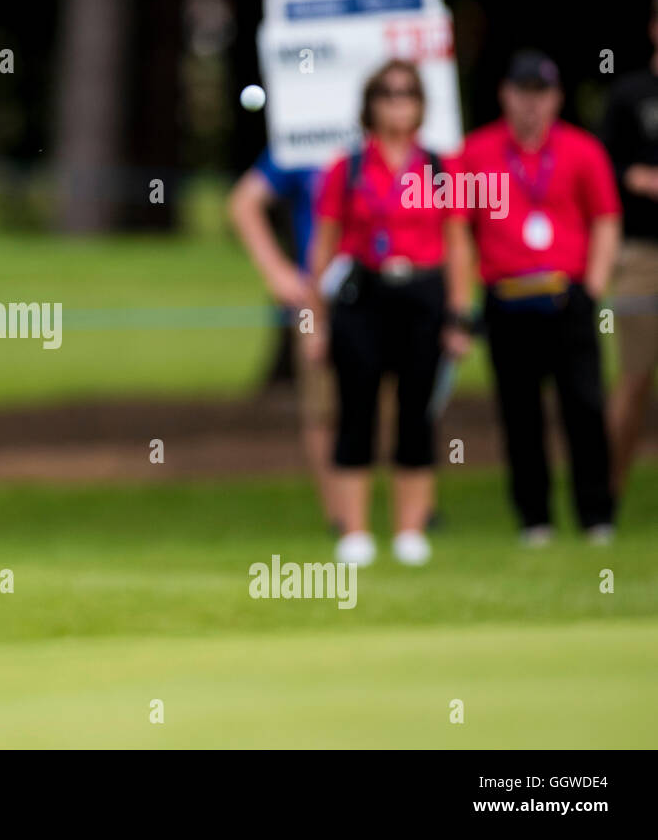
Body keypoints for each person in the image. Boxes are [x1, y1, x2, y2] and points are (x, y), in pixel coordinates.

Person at [308, 59, 473, 566]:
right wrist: (314, 320)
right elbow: (324, 248)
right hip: (364, 296)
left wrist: (459, 315)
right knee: (355, 408)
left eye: (406, 93)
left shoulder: (443, 168)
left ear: (421, 104)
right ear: (371, 105)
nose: (397, 101)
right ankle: (354, 530)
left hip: (421, 295)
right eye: (386, 93)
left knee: (416, 413)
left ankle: (410, 529)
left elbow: (458, 243)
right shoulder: (349, 167)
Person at [462, 51, 620, 546]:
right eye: (522, 93)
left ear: (556, 98)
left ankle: (596, 516)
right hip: (506, 299)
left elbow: (606, 220)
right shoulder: (478, 152)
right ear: (505, 94)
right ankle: (535, 519)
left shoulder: (582, 149)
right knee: (519, 413)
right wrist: (469, 288)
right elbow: (457, 230)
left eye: (541, 94)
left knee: (584, 407)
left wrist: (592, 286)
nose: (531, 104)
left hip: (564, 296)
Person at [230, 150, 339, 529]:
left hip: (385, 294)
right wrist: (276, 272)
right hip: (313, 301)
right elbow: (243, 201)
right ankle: (339, 520)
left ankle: (412, 514)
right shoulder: (302, 136)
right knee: (320, 404)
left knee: (395, 405)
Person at [600, 0, 658, 497]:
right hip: (641, 253)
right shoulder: (630, 95)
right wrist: (634, 176)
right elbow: (601, 168)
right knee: (634, 377)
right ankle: (606, 494)